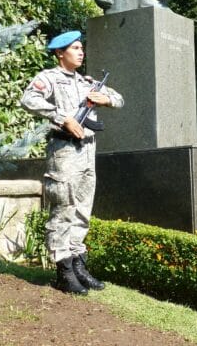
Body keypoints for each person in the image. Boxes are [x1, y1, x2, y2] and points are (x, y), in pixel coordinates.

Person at [21, 30, 124, 294]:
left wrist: (107, 99)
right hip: (65, 151)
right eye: (75, 48)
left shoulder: (87, 81)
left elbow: (119, 99)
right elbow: (28, 99)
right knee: (63, 208)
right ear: (60, 53)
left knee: (82, 208)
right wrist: (62, 117)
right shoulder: (49, 78)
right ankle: (63, 270)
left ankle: (79, 265)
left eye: (81, 48)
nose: (81, 52)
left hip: (88, 151)